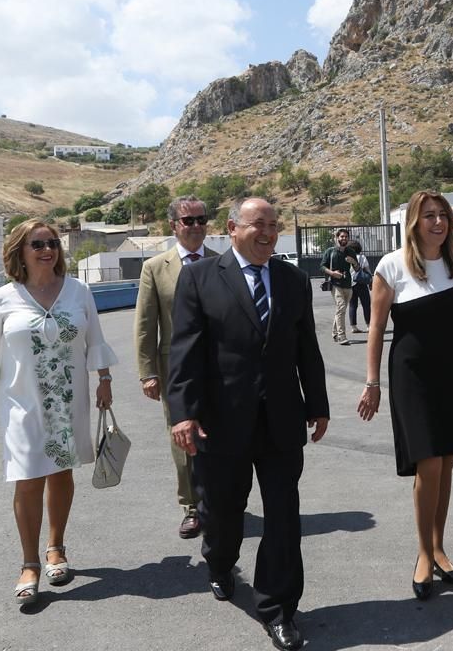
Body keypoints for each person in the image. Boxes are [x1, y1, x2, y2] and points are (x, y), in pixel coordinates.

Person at [167, 197, 328, 651]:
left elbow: (306, 349)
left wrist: (317, 404)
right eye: (259, 224)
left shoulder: (293, 279)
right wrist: (184, 412)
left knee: (282, 517)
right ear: (232, 228)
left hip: (280, 420)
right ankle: (219, 562)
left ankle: (278, 608)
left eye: (274, 226)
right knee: (221, 511)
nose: (268, 233)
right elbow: (185, 351)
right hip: (221, 421)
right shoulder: (199, 277)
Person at [0, 219, 118, 607]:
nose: (47, 250)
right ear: (20, 251)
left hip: (68, 400)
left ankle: (56, 549)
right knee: (26, 479)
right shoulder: (4, 297)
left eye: (52, 243)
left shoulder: (78, 292)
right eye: (38, 243)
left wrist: (104, 380)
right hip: (22, 405)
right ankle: (29, 564)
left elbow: (96, 340)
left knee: (60, 472)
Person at [356, 190, 453, 601]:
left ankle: (439, 547)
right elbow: (375, 327)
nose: (438, 222)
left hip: (451, 373)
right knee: (427, 463)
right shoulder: (391, 265)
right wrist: (372, 383)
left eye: (443, 215)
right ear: (414, 221)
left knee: (445, 463)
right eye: (429, 216)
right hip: (411, 374)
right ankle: (424, 553)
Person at [133, 195, 216, 539]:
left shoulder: (221, 262)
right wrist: (147, 372)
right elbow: (144, 323)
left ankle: (218, 498)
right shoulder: (155, 267)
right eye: (188, 221)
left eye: (201, 220)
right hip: (174, 368)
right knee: (182, 434)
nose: (196, 227)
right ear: (174, 226)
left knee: (220, 433)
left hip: (218, 367)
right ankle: (191, 506)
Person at [321, 228, 353, 345]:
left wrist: (353, 262)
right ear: (337, 238)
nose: (344, 238)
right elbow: (322, 266)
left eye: (346, 237)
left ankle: (334, 332)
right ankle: (341, 336)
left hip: (348, 284)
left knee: (341, 309)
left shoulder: (350, 251)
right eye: (342, 236)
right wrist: (332, 273)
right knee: (341, 307)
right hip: (335, 284)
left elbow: (357, 268)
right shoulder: (330, 251)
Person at [347, 240, 372, 334]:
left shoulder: (347, 258)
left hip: (350, 284)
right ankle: (368, 325)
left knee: (353, 305)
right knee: (366, 304)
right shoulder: (362, 257)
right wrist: (370, 281)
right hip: (361, 283)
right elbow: (367, 270)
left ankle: (353, 326)